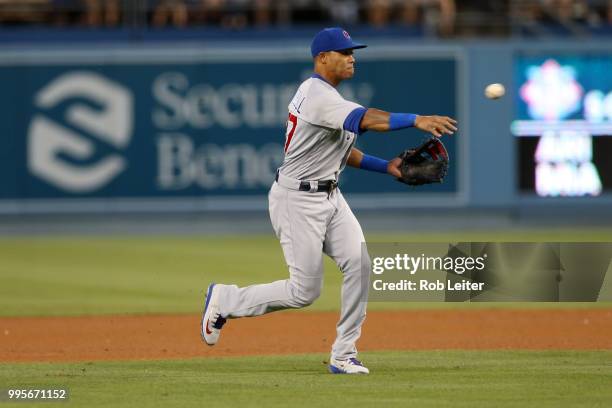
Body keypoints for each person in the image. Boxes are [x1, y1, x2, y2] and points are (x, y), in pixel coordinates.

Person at [201, 27, 457, 374]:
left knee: (360, 263)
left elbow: (343, 151)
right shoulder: (316, 94)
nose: (352, 58)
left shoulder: (331, 100)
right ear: (322, 58)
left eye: (353, 52)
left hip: (330, 195)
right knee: (303, 292)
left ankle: (344, 353)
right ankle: (226, 299)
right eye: (344, 52)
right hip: (296, 199)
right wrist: (416, 120)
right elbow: (366, 118)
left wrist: (388, 168)